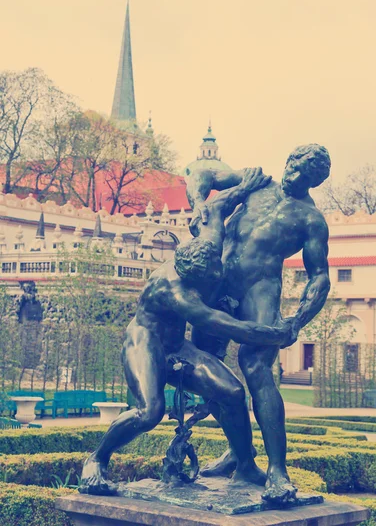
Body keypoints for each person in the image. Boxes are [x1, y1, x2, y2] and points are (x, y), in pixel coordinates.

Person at [80, 168, 293, 495]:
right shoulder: (175, 292)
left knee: (233, 394)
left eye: (213, 277)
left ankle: (245, 465)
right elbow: (226, 325)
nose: (209, 285)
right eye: (203, 283)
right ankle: (96, 460)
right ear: (187, 276)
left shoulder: (208, 246)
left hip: (177, 346)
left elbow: (212, 200)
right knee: (150, 412)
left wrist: (233, 191)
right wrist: (275, 334)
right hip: (145, 343)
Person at [186, 143, 331, 503]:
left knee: (257, 368)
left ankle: (278, 472)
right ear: (289, 160)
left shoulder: (310, 219)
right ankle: (241, 454)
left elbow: (320, 277)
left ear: (315, 182)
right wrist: (199, 205)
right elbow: (198, 172)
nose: (294, 177)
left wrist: (297, 321)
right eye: (294, 168)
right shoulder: (258, 181)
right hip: (217, 281)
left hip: (259, 292)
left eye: (305, 177)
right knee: (204, 369)